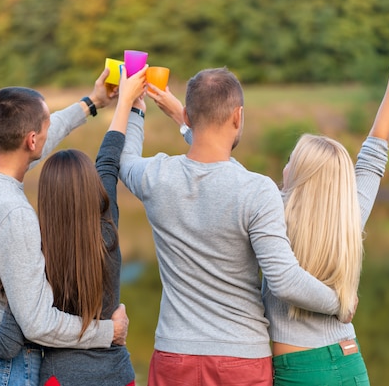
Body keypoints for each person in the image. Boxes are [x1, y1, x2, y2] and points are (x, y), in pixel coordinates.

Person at [120, 67, 351, 386]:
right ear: (238, 116)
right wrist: (339, 302)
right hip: (241, 359)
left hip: (175, 355)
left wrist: (134, 108)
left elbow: (124, 158)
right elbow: (284, 281)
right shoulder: (257, 190)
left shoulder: (156, 176)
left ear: (188, 115)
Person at [0, 66, 148, 386]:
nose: (49, 130)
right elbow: (37, 324)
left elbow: (30, 138)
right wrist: (109, 331)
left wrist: (92, 103)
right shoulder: (17, 218)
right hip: (7, 367)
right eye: (45, 127)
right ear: (32, 140)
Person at [262, 18, 389, 385]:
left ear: (300, 174)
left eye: (291, 159)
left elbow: (223, 171)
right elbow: (375, 148)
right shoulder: (350, 211)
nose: (285, 165)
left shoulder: (270, 211)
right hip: (351, 362)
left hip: (301, 370)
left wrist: (186, 121)